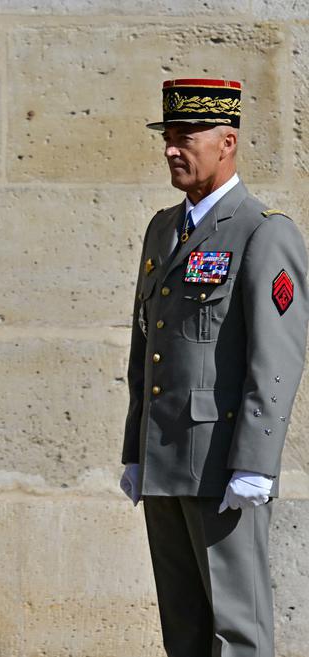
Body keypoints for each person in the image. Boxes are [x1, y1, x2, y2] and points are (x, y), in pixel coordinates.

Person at [120, 78, 309, 657]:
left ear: (226, 142)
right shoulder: (162, 228)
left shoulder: (263, 231)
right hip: (165, 458)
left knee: (236, 630)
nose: (173, 149)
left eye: (187, 137)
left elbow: (276, 356)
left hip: (223, 464)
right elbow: (145, 348)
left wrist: (255, 464)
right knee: (183, 629)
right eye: (168, 137)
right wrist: (135, 448)